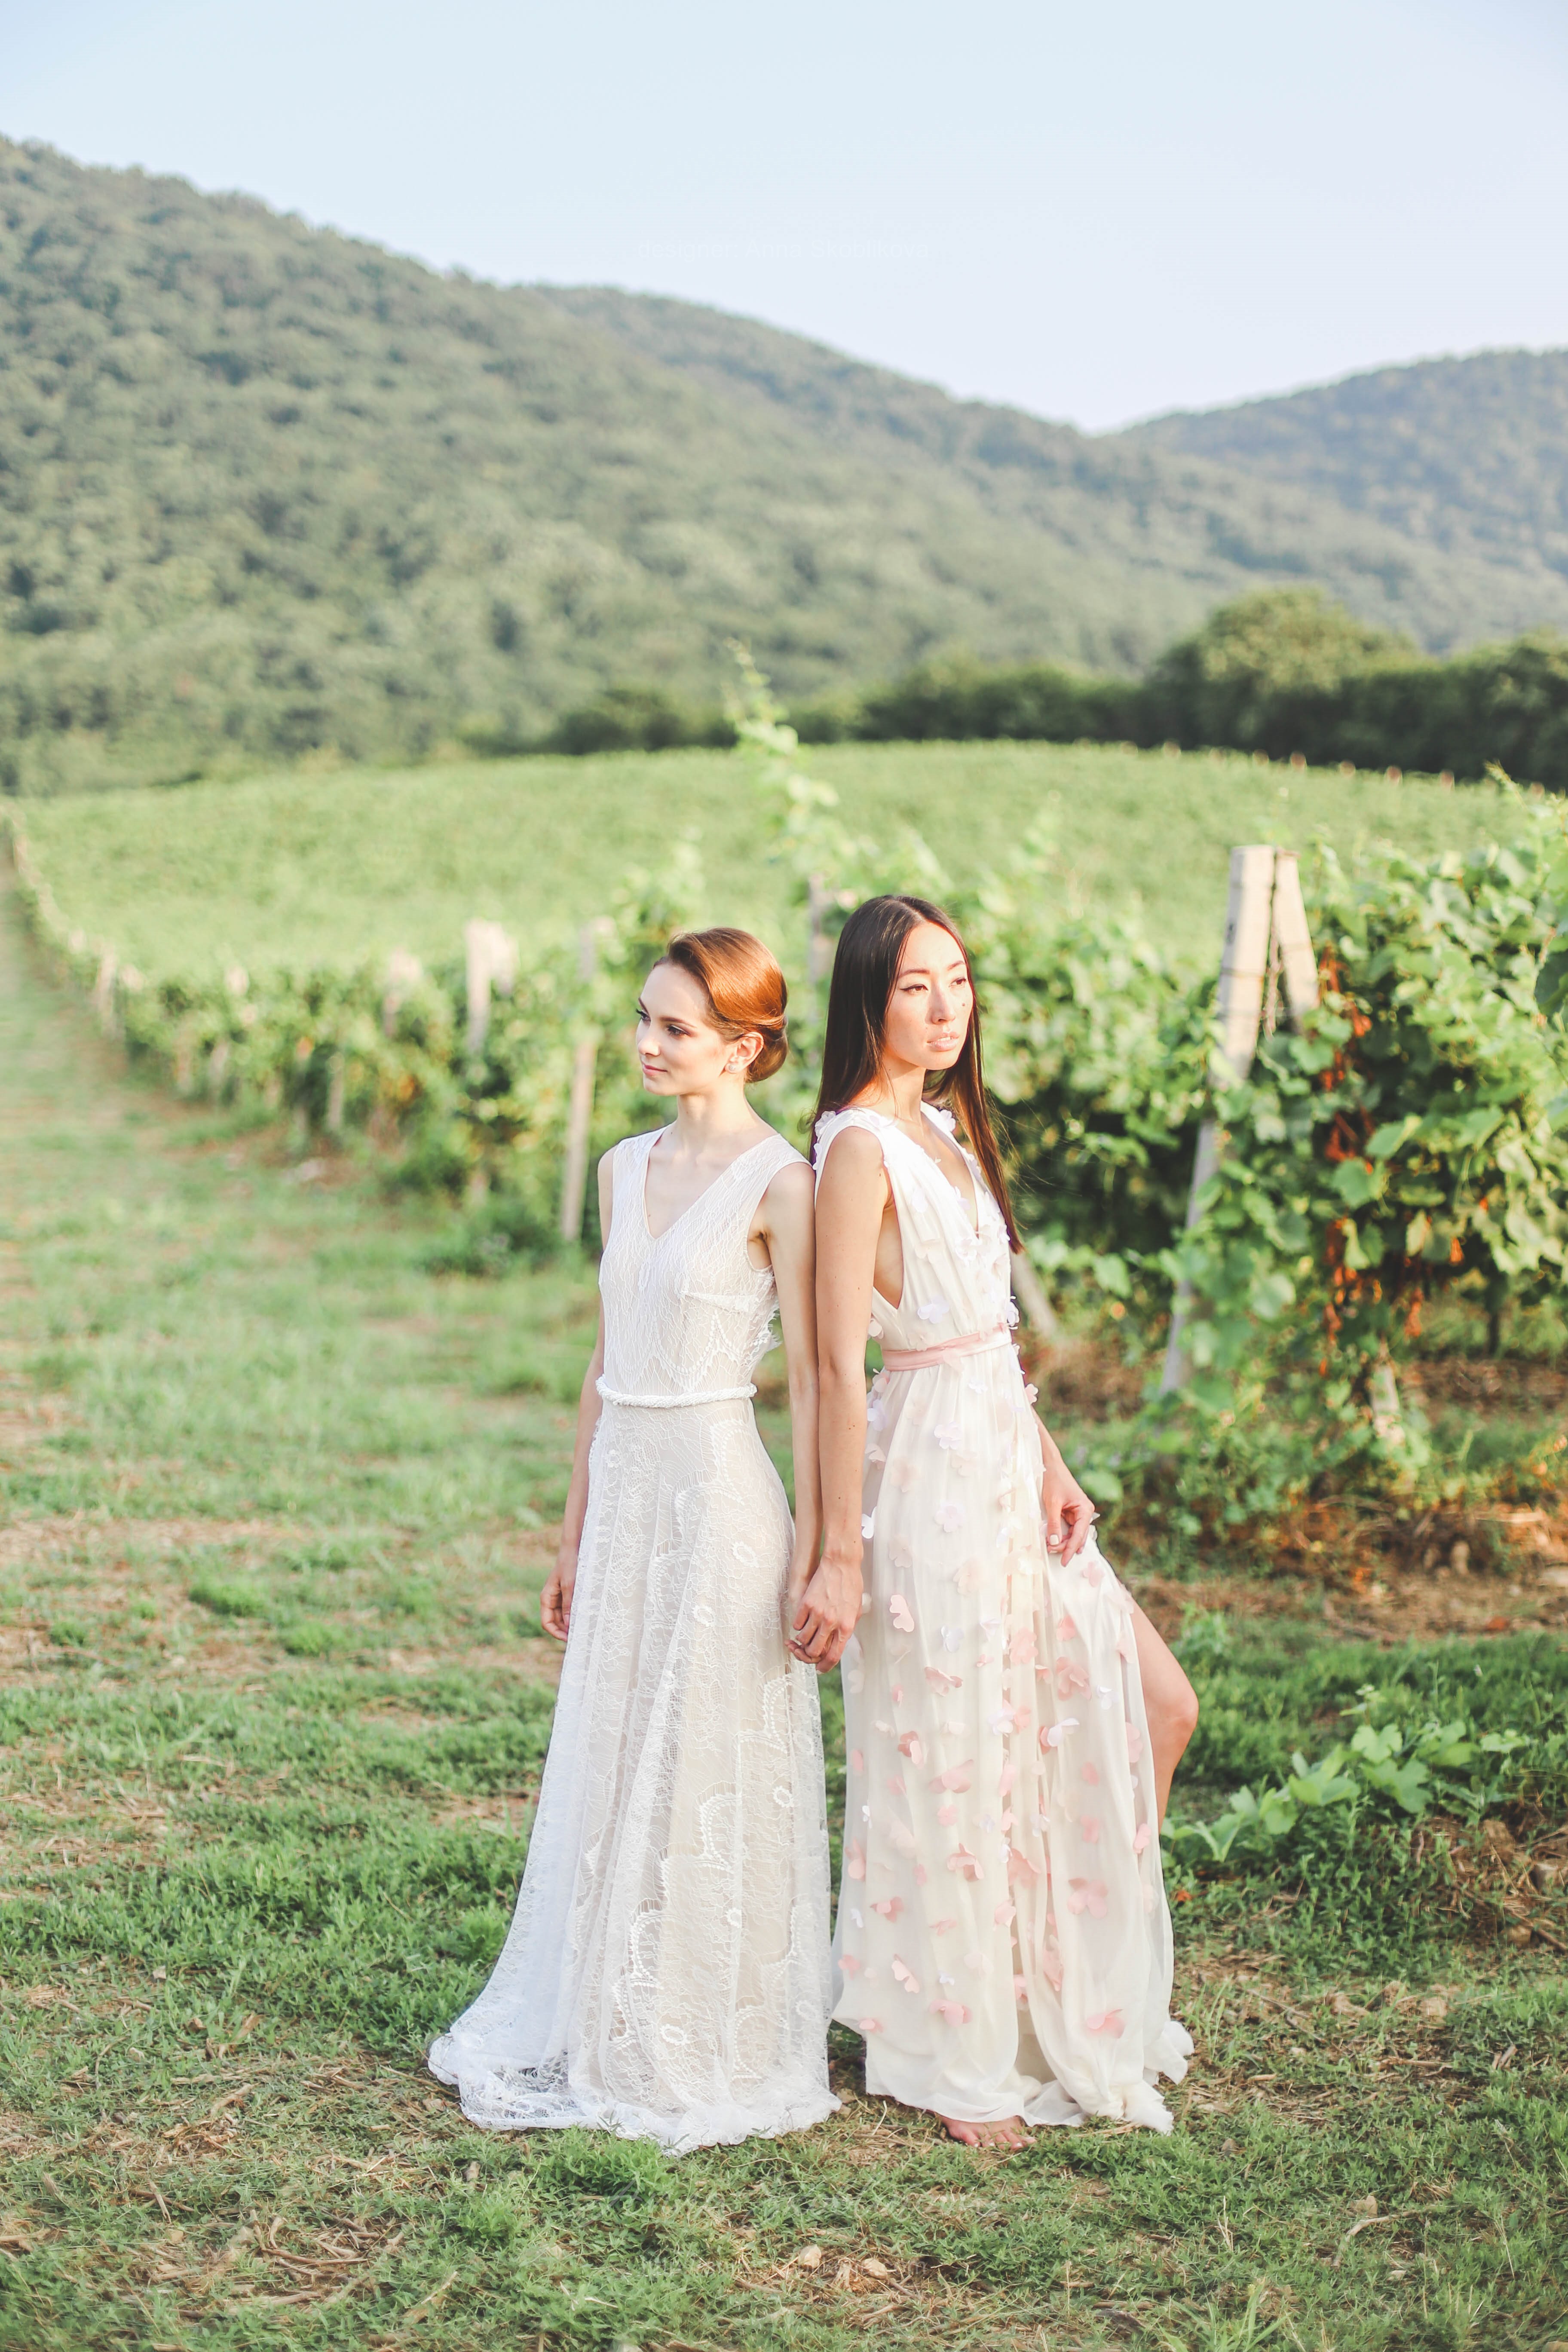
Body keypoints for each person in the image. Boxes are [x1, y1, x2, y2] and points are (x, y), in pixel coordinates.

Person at [793, 894, 1198, 2148]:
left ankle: (1056, 1979)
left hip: (1006, 1453)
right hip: (925, 1476)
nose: (945, 1007)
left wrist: (1051, 1460)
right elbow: (837, 1364)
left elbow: (991, 1335)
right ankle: (946, 2045)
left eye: (959, 980)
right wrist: (840, 1552)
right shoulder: (858, 1148)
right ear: (869, 1000)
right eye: (916, 985)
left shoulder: (951, 1128)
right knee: (951, 1750)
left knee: (1155, 1704)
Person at [429, 928, 838, 2153]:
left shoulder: (783, 1185)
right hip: (625, 1490)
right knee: (613, 1747)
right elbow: (604, 1365)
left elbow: (819, 1380)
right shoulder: (620, 1169)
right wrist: (570, 1534)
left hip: (719, 1493)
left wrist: (823, 1543)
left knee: (702, 1754)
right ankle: (599, 2003)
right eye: (645, 1019)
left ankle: (697, 2027)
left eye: (676, 1027)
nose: (648, 1043)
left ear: (745, 1047)